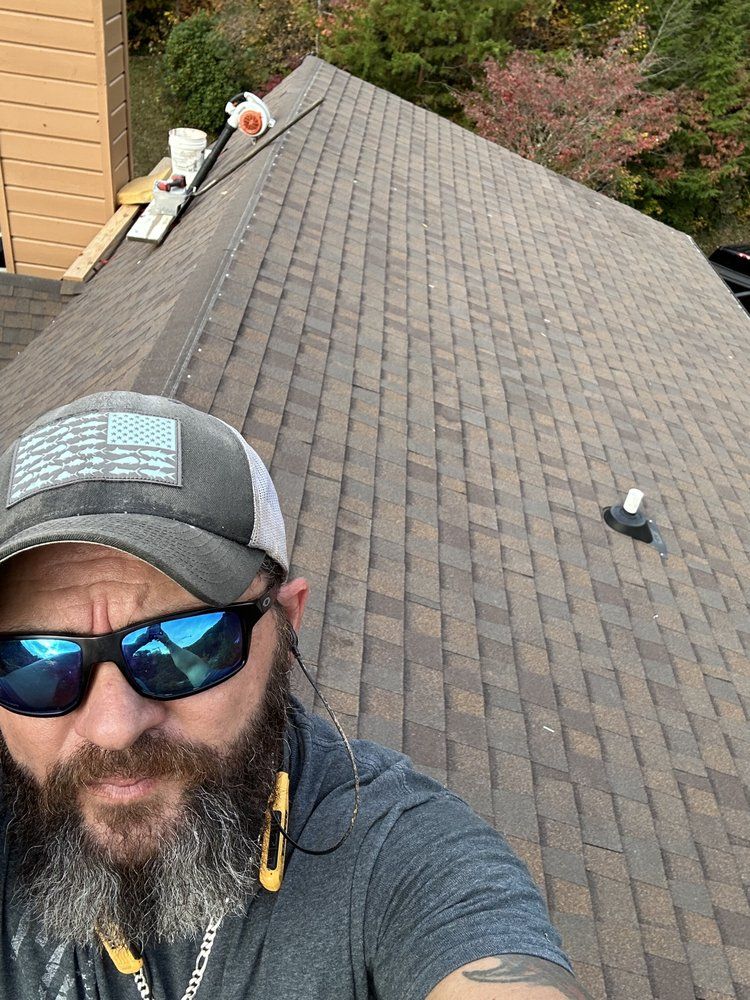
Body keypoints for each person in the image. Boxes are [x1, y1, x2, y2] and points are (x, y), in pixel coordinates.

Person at [0, 391, 589, 1000]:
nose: (112, 726)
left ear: (284, 624)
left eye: (185, 645)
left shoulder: (397, 855)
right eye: (35, 661)